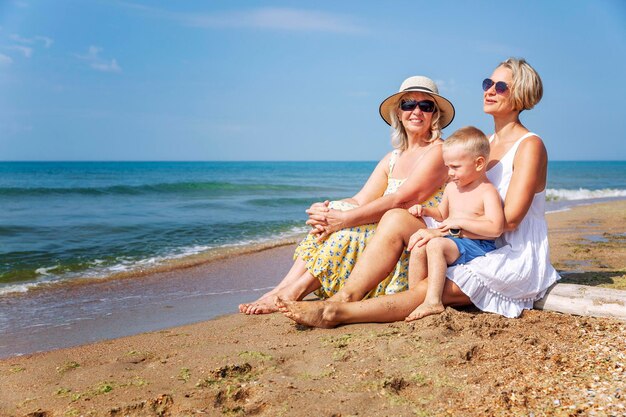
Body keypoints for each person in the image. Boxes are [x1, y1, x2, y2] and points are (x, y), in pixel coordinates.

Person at [276, 57, 561, 327]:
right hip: (469, 244)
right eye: (488, 83)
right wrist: (430, 218)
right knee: (396, 218)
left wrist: (442, 232)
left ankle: (336, 313)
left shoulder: (529, 146)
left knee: (429, 287)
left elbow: (508, 222)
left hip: (509, 253)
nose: (489, 91)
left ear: (521, 94)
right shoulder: (483, 144)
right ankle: (344, 296)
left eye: (500, 87)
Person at [239, 76, 455, 314]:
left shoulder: (438, 152)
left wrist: (342, 220)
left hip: (414, 231)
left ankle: (294, 292)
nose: (416, 111)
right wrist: (327, 210)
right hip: (387, 225)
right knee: (333, 219)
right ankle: (280, 289)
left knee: (350, 229)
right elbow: (361, 199)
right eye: (409, 104)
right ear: (399, 113)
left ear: (435, 115)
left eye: (425, 106)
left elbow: (400, 200)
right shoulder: (393, 157)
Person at [404, 126, 504, 321]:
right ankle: (413, 297)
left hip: (477, 244)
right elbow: (442, 214)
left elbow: (495, 228)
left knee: (435, 244)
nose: (449, 173)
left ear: (478, 163)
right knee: (418, 246)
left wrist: (459, 222)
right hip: (455, 241)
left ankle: (433, 302)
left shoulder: (486, 191)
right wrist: (424, 210)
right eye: (448, 166)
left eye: (455, 167)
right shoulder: (452, 188)